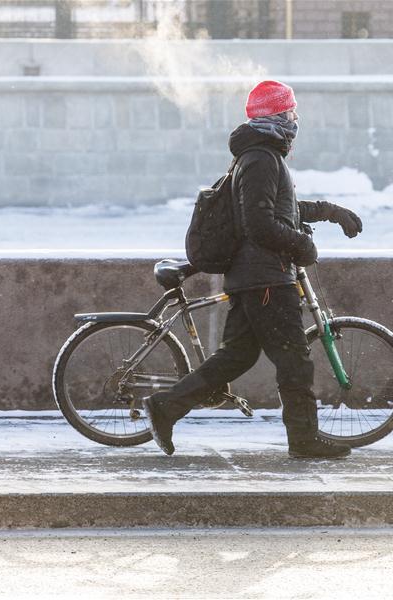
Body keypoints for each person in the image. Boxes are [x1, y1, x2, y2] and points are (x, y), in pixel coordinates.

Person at [144, 80, 363, 459]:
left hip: (254, 277)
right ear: (277, 116)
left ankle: (166, 406)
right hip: (266, 280)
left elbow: (283, 208)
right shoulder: (261, 159)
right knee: (294, 359)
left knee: (236, 357)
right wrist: (301, 245)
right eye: (292, 112)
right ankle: (304, 439)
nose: (296, 119)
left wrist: (329, 212)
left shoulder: (260, 157)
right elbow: (258, 224)